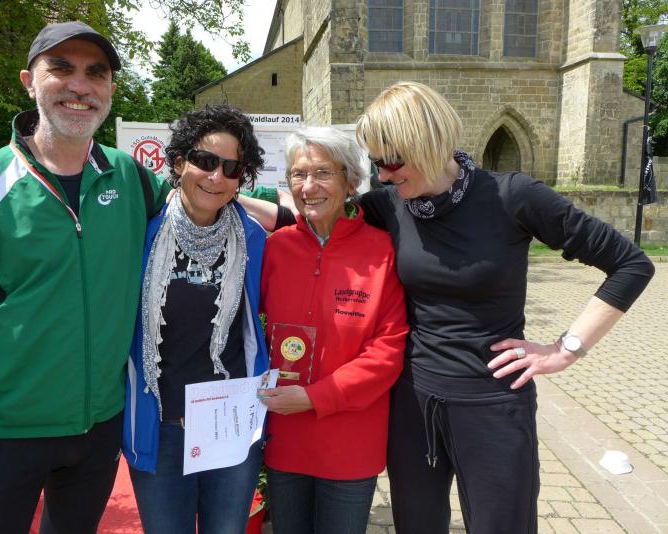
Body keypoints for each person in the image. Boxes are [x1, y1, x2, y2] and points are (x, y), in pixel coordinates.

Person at [351, 81, 655, 534]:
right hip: (413, 402)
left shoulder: (513, 196)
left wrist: (565, 350)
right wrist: (235, 198)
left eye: (390, 162)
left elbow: (630, 265)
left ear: (427, 143)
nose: (382, 176)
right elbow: (307, 218)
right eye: (376, 164)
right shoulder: (388, 205)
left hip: (493, 403)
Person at [0, 21, 170, 533]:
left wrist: (302, 209)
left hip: (99, 429)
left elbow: (201, 202)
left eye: (96, 73)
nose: (80, 86)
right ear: (29, 82)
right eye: (62, 69)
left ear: (111, 89)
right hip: (2, 434)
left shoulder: (132, 178)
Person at [122, 104, 270, 534]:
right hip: (161, 423)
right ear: (178, 162)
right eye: (205, 161)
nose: (216, 176)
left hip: (230, 423)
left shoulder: (253, 240)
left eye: (231, 168)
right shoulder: (141, 234)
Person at [257, 127, 409, 534]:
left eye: (323, 173)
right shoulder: (275, 248)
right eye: (298, 174)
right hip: (285, 436)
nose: (308, 187)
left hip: (350, 444)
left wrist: (313, 397)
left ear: (351, 181)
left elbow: (388, 351)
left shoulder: (383, 251)